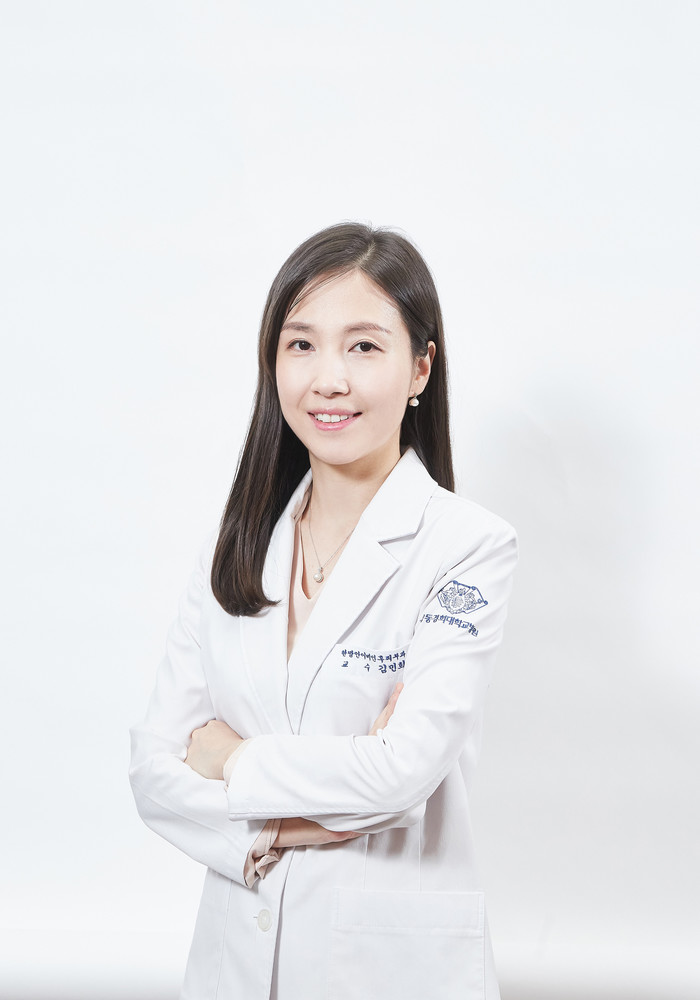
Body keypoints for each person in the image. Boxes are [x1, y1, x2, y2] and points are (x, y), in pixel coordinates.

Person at [129, 222, 518, 1000]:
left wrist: (232, 760)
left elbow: (401, 772)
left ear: (421, 367)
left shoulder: (466, 546)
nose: (329, 379)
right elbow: (153, 770)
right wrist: (292, 826)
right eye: (301, 345)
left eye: (364, 347)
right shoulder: (237, 546)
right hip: (232, 964)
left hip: (389, 970)